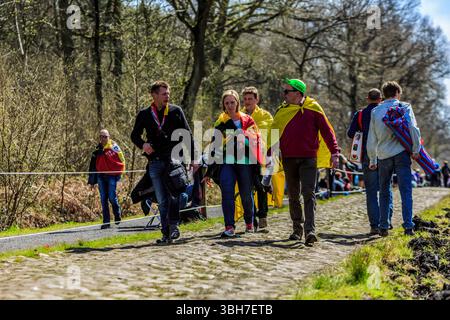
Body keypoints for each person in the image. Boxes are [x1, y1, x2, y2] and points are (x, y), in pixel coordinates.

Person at [268, 79, 340, 246]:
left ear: (298, 93)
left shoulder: (313, 108)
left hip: (309, 158)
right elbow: (273, 133)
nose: (284, 95)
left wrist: (335, 152)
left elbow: (327, 131)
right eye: (284, 91)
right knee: (293, 195)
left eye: (287, 91)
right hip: (289, 159)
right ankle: (297, 229)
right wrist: (269, 154)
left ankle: (310, 231)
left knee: (308, 193)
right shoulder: (282, 111)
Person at [130, 80, 198, 244]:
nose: (167, 96)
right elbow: (134, 136)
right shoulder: (145, 114)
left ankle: (174, 227)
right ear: (154, 95)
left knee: (175, 196)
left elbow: (187, 135)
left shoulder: (176, 111)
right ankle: (166, 233)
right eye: (163, 93)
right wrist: (143, 145)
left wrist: (194, 158)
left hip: (174, 161)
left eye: (168, 93)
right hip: (155, 162)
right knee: (162, 199)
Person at [367, 81, 421, 237]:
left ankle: (383, 226)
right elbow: (413, 128)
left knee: (384, 191)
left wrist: (372, 159)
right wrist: (416, 149)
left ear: (384, 94)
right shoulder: (404, 107)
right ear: (398, 92)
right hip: (402, 153)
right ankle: (408, 226)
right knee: (406, 190)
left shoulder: (376, 111)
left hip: (383, 155)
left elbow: (372, 137)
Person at [204, 89, 261, 238]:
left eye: (232, 102)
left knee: (246, 195)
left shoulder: (247, 120)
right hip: (226, 161)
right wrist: (209, 171)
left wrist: (243, 137)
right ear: (223, 104)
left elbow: (256, 141)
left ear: (237, 103)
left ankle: (249, 222)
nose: (230, 105)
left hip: (245, 161)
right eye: (227, 103)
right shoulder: (220, 122)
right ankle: (229, 226)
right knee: (227, 193)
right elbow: (214, 146)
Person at [347, 89, 394, 235]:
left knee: (372, 192)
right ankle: (386, 222)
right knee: (386, 189)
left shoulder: (360, 114)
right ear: (381, 99)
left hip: (368, 154)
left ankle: (374, 225)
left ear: (368, 99)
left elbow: (350, 133)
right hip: (385, 153)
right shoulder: (386, 112)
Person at [241, 86, 273, 231]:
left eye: (250, 99)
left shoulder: (265, 116)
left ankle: (263, 215)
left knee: (260, 187)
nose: (247, 102)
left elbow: (272, 137)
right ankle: (251, 216)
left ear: (257, 99)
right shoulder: (238, 114)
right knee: (246, 187)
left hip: (262, 156)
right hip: (244, 156)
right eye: (245, 99)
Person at [88, 129, 125, 229]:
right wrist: (91, 181)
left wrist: (119, 174)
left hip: (112, 176)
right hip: (101, 176)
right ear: (99, 138)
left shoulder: (114, 147)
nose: (103, 138)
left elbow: (121, 160)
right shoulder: (97, 150)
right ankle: (106, 222)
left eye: (105, 136)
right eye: (101, 136)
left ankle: (117, 213)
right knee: (103, 199)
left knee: (112, 197)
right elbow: (92, 166)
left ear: (109, 137)